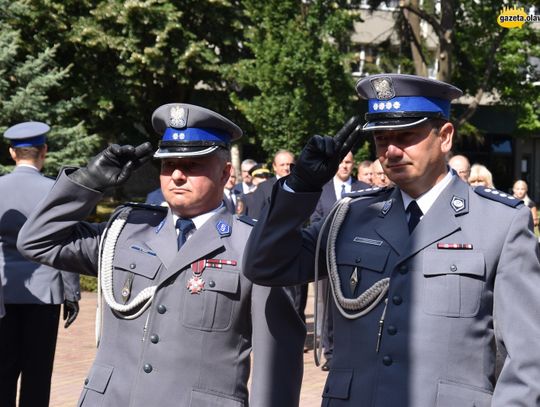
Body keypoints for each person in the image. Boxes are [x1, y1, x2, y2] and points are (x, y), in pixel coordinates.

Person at [243, 73, 540, 406]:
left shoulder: (499, 223)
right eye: (381, 139)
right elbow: (265, 265)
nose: (392, 151)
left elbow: (528, 359)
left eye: (406, 136)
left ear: (444, 137)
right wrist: (300, 188)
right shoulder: (351, 216)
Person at [17, 104, 304, 407]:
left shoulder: (253, 247)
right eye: (168, 165)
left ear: (225, 172)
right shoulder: (127, 229)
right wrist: (90, 181)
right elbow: (37, 241)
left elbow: (277, 361)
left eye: (192, 164)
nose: (177, 175)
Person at [0, 121, 80, 407]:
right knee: (38, 373)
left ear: (12, 153)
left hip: (4, 290)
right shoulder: (55, 191)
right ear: (44, 151)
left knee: (2, 371)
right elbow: (67, 243)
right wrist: (72, 292)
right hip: (45, 291)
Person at [310, 151, 369, 371]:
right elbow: (315, 220)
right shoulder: (323, 190)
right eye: (341, 162)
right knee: (328, 306)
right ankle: (330, 351)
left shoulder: (364, 189)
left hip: (356, 258)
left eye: (348, 162)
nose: (344, 166)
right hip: (328, 257)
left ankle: (354, 349)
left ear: (353, 165)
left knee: (356, 303)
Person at [245, 149, 294, 219]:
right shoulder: (263, 187)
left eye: (288, 164)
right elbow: (255, 217)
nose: (286, 168)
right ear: (274, 166)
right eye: (282, 165)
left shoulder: (301, 186)